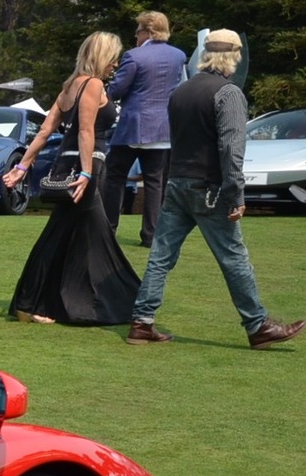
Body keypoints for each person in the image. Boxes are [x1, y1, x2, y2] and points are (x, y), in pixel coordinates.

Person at [126, 30, 305, 349]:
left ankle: (142, 322)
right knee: (234, 257)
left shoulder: (180, 92)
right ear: (234, 57)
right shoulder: (229, 93)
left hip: (177, 184)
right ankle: (257, 324)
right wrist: (236, 195)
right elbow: (231, 150)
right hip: (209, 187)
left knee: (161, 256)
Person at [0, 32, 141, 325]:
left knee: (74, 235)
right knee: (87, 234)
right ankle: (130, 303)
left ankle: (39, 303)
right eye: (113, 57)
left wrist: (23, 167)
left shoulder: (70, 86)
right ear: (101, 56)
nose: (116, 63)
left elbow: (45, 130)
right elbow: (86, 130)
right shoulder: (92, 84)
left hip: (69, 167)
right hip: (84, 170)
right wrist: (88, 173)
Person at [101, 11, 187, 247]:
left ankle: (108, 229)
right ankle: (151, 235)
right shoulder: (178, 56)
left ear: (148, 32)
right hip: (162, 129)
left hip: (133, 126)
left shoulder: (134, 56)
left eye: (138, 31)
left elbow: (117, 90)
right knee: (155, 182)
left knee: (114, 177)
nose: (135, 36)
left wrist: (106, 90)